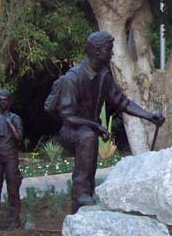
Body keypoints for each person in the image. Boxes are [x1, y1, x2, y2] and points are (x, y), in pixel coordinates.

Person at [54, 31, 165, 214]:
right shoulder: (73, 78)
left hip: (88, 130)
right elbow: (67, 116)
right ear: (97, 52)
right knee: (87, 137)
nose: (112, 54)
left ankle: (85, 197)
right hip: (71, 130)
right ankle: (81, 195)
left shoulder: (104, 75)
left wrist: (148, 116)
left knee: (89, 140)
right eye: (109, 50)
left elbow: (121, 101)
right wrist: (96, 126)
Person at [0, 89, 23, 229]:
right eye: (0, 99)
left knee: (13, 187)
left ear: (10, 101)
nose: (2, 102)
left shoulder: (15, 118)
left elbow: (19, 137)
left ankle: (14, 219)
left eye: (5, 99)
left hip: (10, 157)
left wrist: (10, 125)